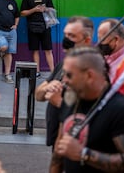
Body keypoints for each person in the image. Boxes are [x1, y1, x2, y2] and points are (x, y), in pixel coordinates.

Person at [52, 46, 124, 173]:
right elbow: (59, 152)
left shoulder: (123, 111)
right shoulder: (71, 99)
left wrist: (84, 154)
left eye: (69, 75)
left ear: (89, 75)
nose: (64, 81)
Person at [35, 16, 94, 151]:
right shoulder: (64, 63)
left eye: (72, 36)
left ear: (87, 40)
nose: (67, 39)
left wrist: (59, 103)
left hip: (74, 143)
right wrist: (47, 88)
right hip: (57, 136)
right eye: (66, 34)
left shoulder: (92, 71)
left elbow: (88, 113)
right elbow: (38, 95)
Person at [20, 0, 55, 76]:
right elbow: (22, 13)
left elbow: (52, 9)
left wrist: (46, 9)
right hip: (32, 26)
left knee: (48, 49)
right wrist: (34, 10)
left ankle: (53, 71)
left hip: (45, 26)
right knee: (35, 49)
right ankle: (37, 71)